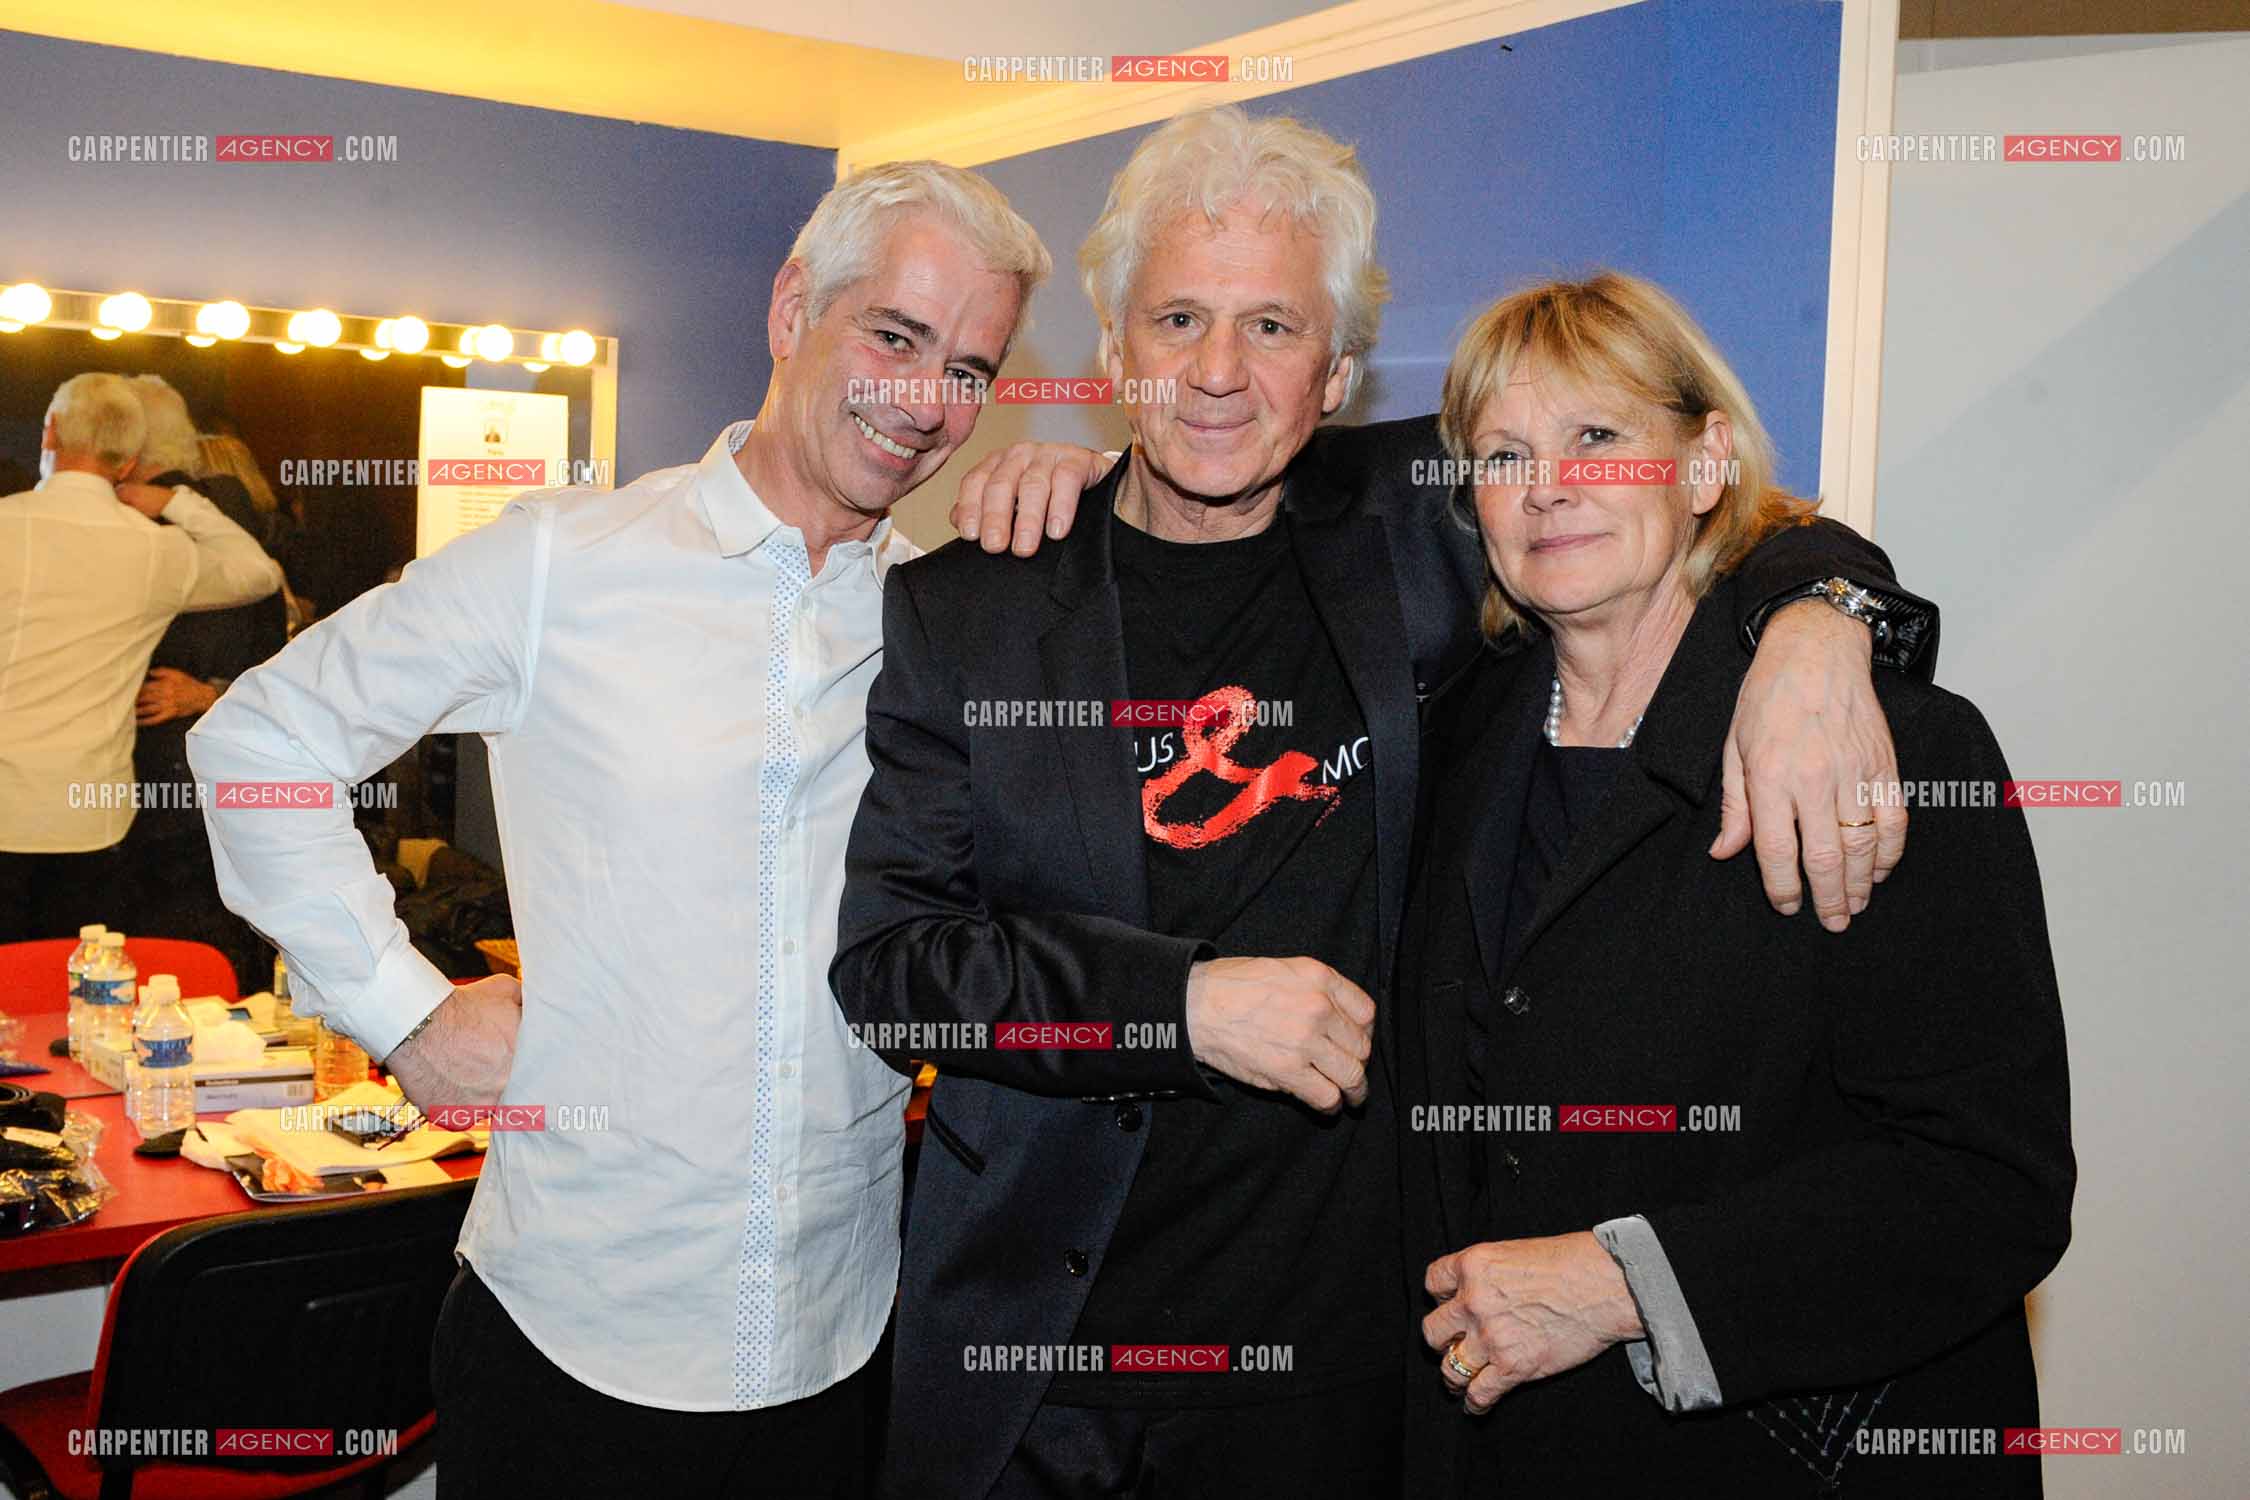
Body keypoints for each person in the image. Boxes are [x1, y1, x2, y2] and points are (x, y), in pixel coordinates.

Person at [830, 106, 1936, 1500]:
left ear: (1337, 372)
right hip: (1040, 1373)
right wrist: (1178, 1004)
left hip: (1348, 1372)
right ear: (1113, 355)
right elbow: (892, 973)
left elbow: (1714, 500)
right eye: (1176, 319)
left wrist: (1825, 624)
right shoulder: (970, 606)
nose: (1218, 373)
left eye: (1273, 329)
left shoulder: (1428, 525)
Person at [187, 161, 1048, 1497]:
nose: (930, 401)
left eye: (972, 367)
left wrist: (1109, 493)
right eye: (895, 335)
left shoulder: (953, 622)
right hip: (577, 1336)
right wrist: (401, 1008)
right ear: (788, 310)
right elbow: (256, 743)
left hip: (842, 1338)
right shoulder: (562, 566)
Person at [1398, 272, 2072, 1495]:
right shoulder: (1456, 739)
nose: (1547, 484)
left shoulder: (1887, 745)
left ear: (1705, 465)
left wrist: (1627, 1288)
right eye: (1503, 455)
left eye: (1597, 436)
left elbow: (1987, 1184)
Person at [0, 372, 281, 943]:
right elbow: (259, 573)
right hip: (89, 819)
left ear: (49, 431)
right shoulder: (156, 550)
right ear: (128, 461)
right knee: (76, 1003)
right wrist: (179, 502)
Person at [117, 379, 290, 990]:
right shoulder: (208, 515)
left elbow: (267, 651)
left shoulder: (192, 516)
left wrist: (209, 692)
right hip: (204, 774)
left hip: (173, 779)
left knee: (178, 947)